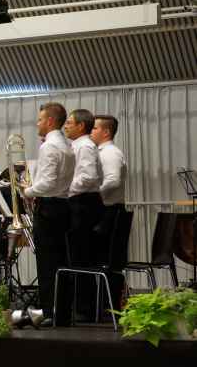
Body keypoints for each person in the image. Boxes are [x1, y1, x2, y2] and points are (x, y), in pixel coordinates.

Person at [22, 102, 75, 326]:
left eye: (40, 119)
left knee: (47, 264)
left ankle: (49, 312)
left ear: (50, 121)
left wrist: (27, 190)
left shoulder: (49, 146)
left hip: (49, 208)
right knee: (60, 262)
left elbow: (47, 184)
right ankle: (61, 313)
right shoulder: (67, 145)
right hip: (63, 206)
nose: (37, 123)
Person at [92, 114, 127, 311]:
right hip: (107, 212)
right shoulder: (101, 152)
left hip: (109, 212)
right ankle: (102, 305)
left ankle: (108, 307)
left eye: (94, 128)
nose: (90, 131)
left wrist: (93, 195)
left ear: (106, 132)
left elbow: (113, 180)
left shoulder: (110, 153)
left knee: (108, 262)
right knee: (103, 260)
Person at [65, 109, 104, 266]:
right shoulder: (78, 145)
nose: (65, 126)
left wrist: (63, 189)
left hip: (83, 204)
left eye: (69, 123)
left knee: (81, 256)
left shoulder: (85, 146)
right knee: (76, 254)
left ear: (81, 126)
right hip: (81, 202)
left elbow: (88, 177)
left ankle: (82, 283)